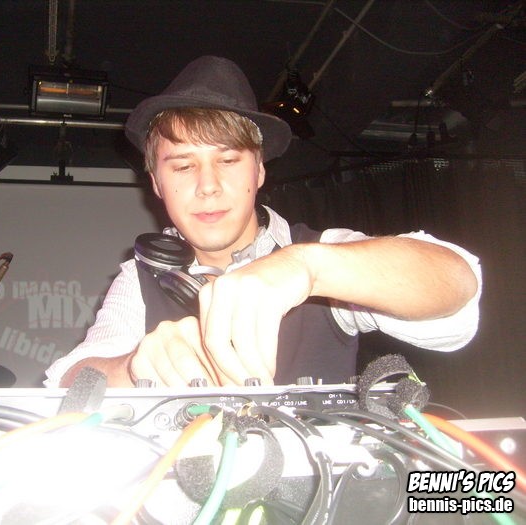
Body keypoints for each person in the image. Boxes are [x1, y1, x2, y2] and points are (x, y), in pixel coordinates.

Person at [44, 55, 481, 388]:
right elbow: (68, 380)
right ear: (157, 183)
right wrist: (133, 365)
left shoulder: (323, 252)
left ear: (258, 172)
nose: (208, 186)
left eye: (228, 161)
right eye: (183, 166)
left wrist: (308, 268)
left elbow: (457, 301)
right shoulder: (140, 276)